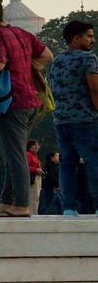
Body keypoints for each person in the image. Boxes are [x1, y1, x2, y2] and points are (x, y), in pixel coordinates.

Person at [0, 0, 53, 217]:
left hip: (12, 102)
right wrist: (24, 64)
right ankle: (6, 202)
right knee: (12, 152)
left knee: (16, 155)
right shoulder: (21, 33)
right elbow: (48, 55)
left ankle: (21, 205)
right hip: (31, 101)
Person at [49, 19, 98, 216]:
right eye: (89, 36)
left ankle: (69, 206)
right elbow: (94, 89)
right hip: (85, 119)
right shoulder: (88, 59)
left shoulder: (57, 61)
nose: (92, 40)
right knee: (94, 161)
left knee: (68, 163)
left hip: (61, 119)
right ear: (76, 39)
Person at [27, 141, 44, 216]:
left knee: (36, 196)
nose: (36, 147)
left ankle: (34, 212)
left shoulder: (34, 155)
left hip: (37, 177)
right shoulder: (29, 155)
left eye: (37, 145)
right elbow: (24, 167)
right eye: (34, 145)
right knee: (33, 197)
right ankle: (33, 213)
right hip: (32, 178)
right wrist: (35, 169)